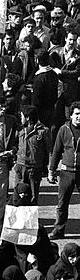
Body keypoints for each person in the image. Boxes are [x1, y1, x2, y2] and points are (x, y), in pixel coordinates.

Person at [49, 101, 80, 238]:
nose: (79, 117)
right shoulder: (64, 129)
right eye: (77, 114)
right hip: (66, 172)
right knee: (62, 204)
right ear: (71, 115)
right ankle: (59, 230)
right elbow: (56, 150)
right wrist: (51, 170)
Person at [16, 104, 51, 203]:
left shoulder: (43, 131)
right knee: (18, 195)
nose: (20, 118)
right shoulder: (20, 130)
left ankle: (31, 218)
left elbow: (50, 151)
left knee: (32, 197)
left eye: (22, 115)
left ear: (27, 117)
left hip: (34, 169)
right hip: (20, 167)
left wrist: (50, 169)